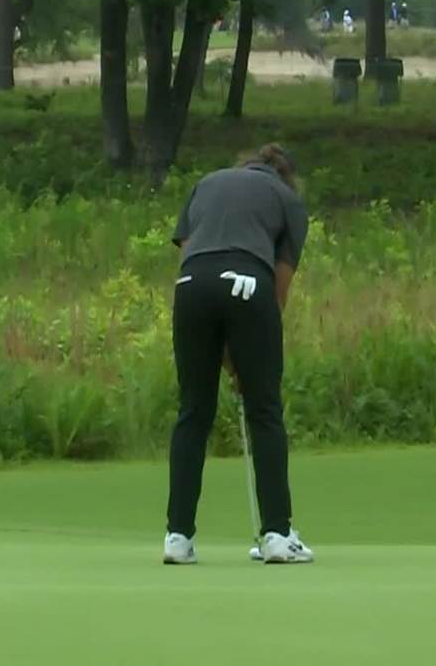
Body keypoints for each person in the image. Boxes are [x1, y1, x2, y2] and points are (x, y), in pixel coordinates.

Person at [162, 143, 314, 565]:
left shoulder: (206, 185)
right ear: (286, 175)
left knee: (193, 410)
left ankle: (177, 537)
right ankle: (278, 535)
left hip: (191, 286)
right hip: (249, 282)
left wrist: (225, 353)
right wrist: (248, 360)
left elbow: (192, 253)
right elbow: (277, 289)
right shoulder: (288, 201)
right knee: (264, 409)